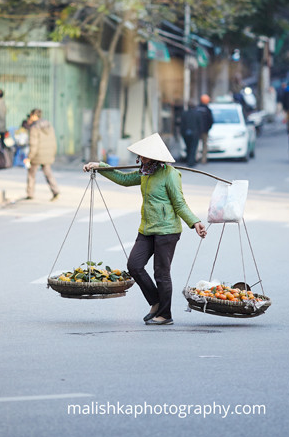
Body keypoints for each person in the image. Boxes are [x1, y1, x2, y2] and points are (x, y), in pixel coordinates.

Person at [83, 133, 207, 326]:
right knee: (134, 265)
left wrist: (195, 222)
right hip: (147, 228)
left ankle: (165, 314)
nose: (140, 159)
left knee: (161, 273)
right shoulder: (144, 172)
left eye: (144, 156)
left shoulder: (170, 174)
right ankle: (157, 302)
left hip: (167, 231)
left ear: (156, 158)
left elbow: (180, 203)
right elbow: (123, 179)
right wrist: (100, 166)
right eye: (140, 156)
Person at [23, 108, 60, 201]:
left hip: (37, 155)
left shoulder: (34, 127)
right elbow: (54, 141)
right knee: (48, 173)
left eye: (31, 115)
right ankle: (55, 191)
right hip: (48, 154)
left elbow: (33, 145)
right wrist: (53, 153)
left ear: (35, 116)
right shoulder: (49, 126)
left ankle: (30, 193)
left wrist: (29, 157)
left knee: (31, 173)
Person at [179, 101, 204, 168]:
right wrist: (200, 133)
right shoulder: (198, 114)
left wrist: (182, 132)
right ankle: (191, 161)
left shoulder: (184, 113)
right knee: (193, 147)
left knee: (188, 147)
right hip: (195, 133)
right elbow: (200, 124)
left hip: (186, 133)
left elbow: (182, 124)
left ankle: (189, 160)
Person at [198, 94, 214, 164]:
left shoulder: (197, 108)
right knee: (205, 145)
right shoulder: (208, 110)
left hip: (197, 130)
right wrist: (208, 128)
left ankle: (196, 158)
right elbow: (211, 120)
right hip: (205, 130)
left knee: (197, 144)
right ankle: (203, 159)